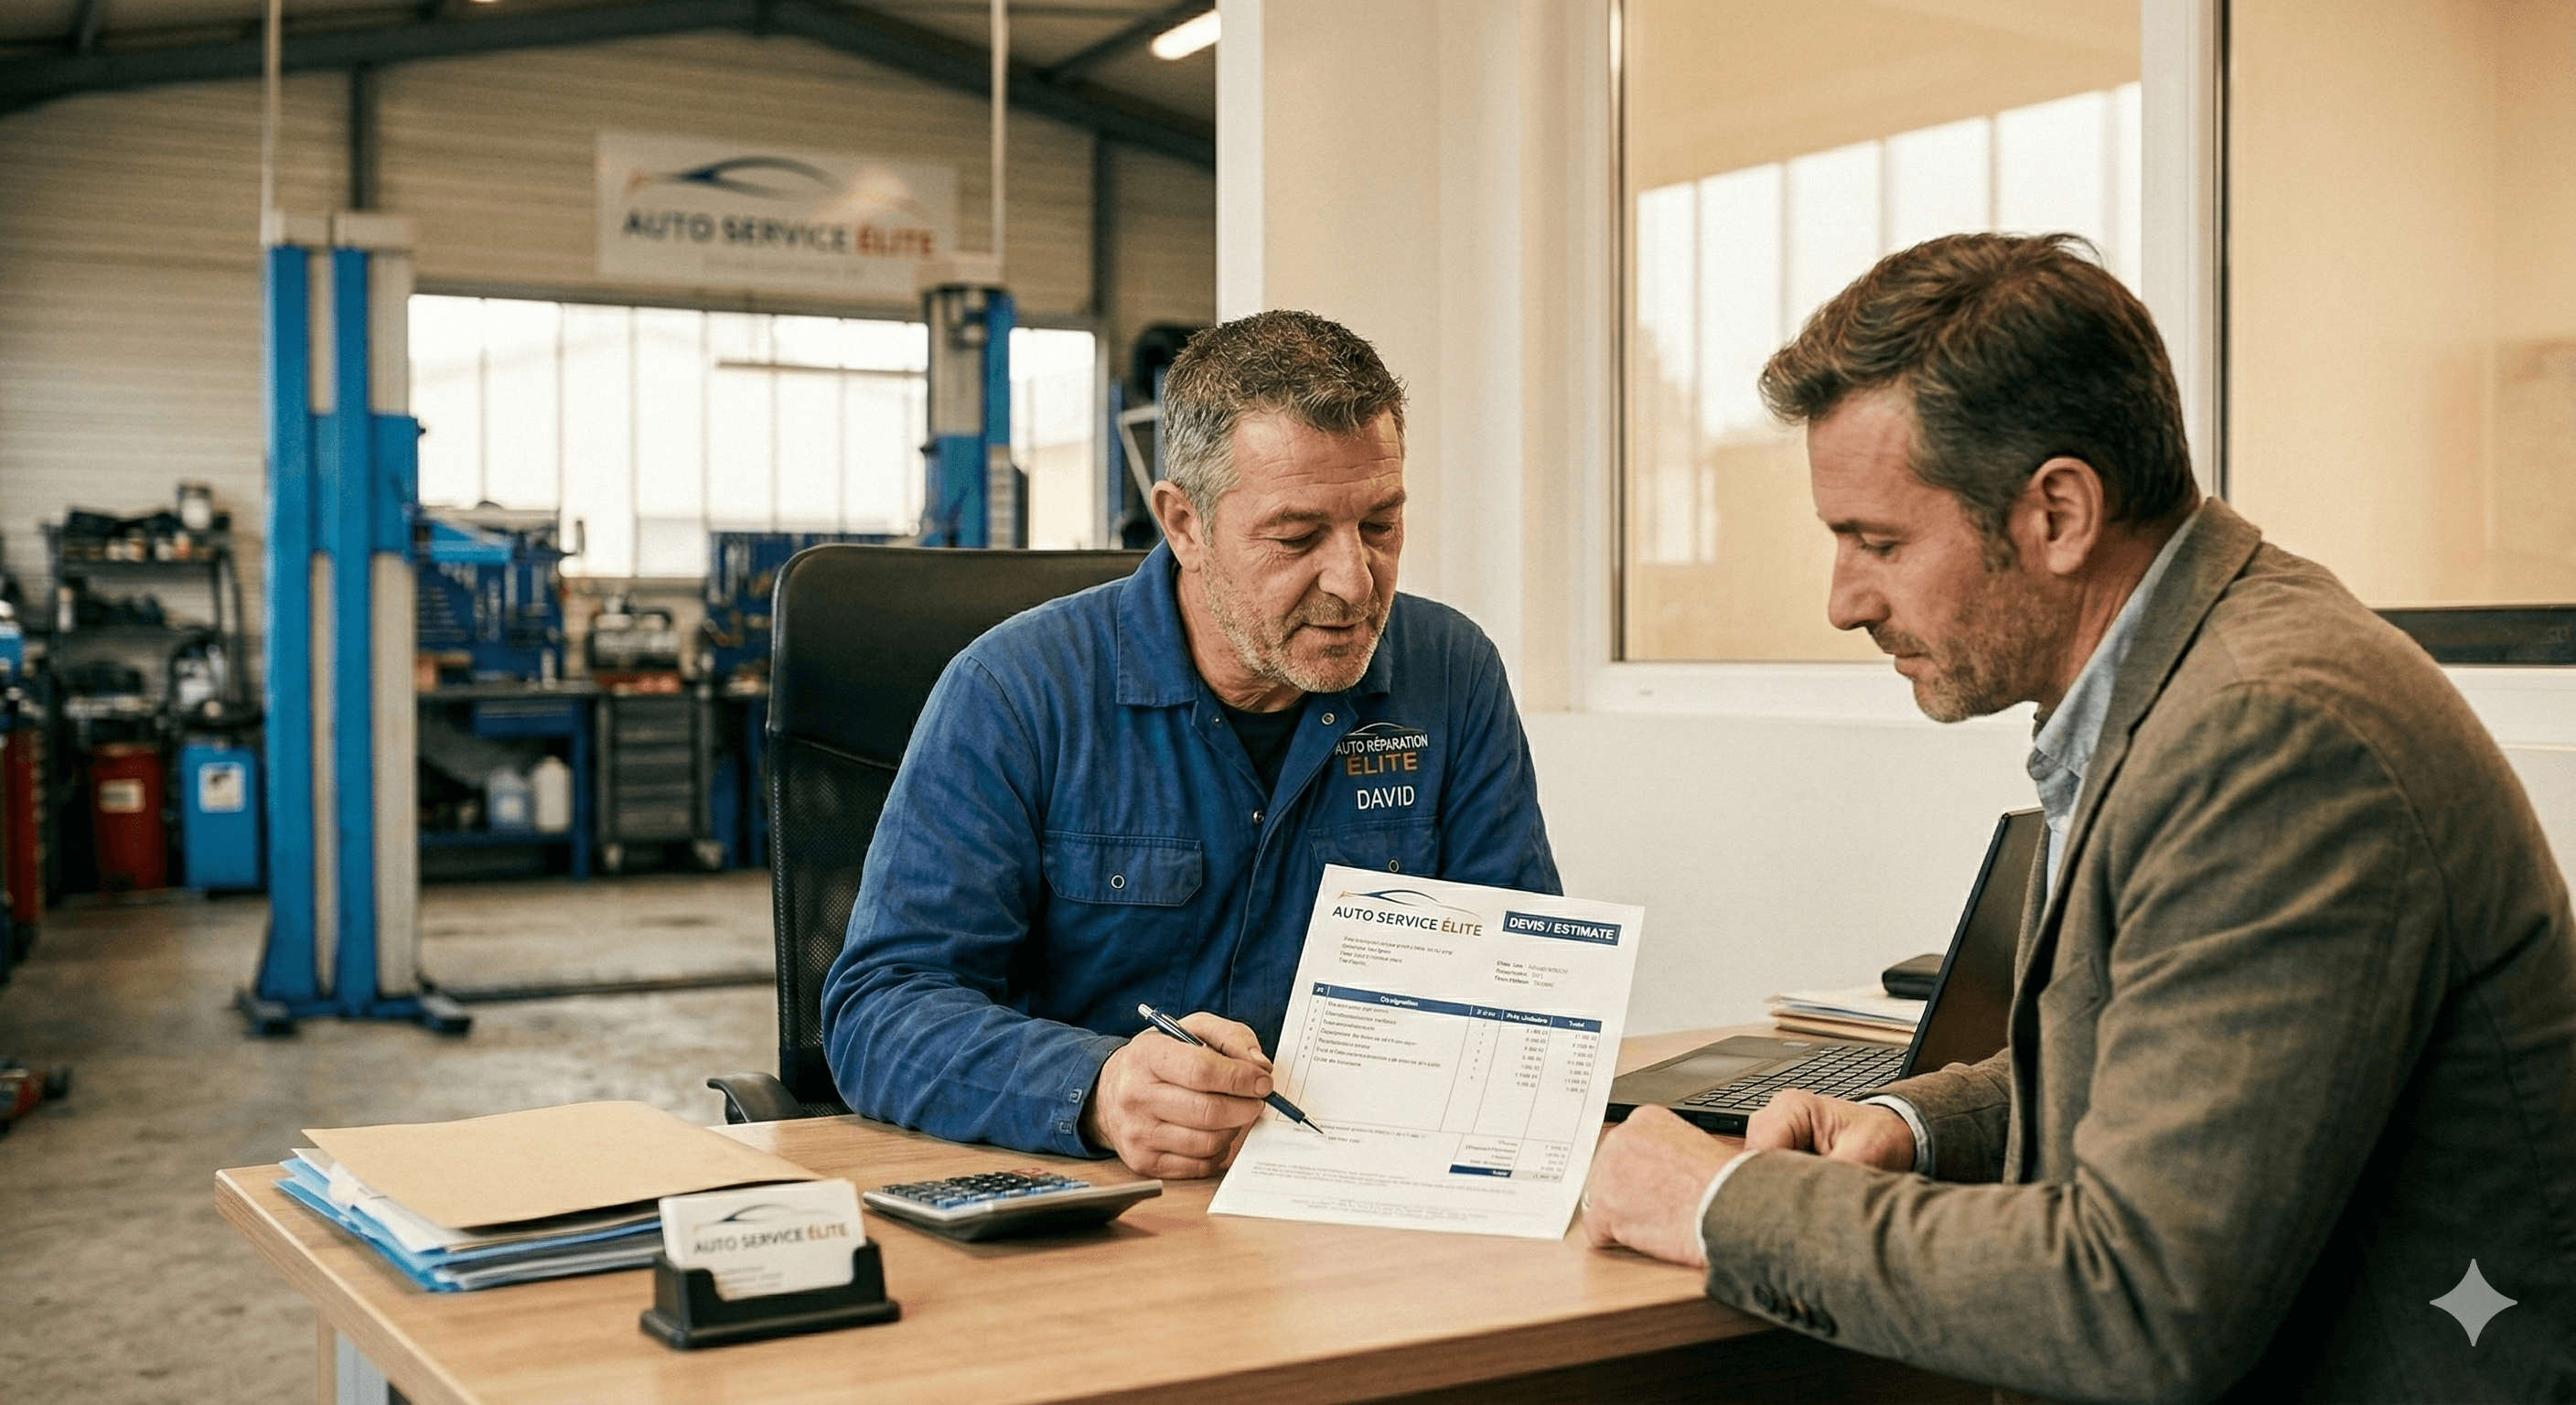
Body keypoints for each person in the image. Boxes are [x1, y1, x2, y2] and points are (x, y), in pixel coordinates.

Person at [1583, 233, 2576, 1401]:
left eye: (1879, 542)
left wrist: (1715, 1205)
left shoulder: (2268, 737)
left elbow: (2136, 1302)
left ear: (2056, 512)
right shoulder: (2197, 675)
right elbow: (2162, 1058)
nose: (1843, 600)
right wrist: (1918, 1123)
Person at [821, 310, 1561, 1180]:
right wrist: (1097, 1088)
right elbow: (880, 1012)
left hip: (1357, 1197)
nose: (1356, 581)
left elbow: (1522, 975)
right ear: (1184, 524)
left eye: (1381, 526)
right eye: (1296, 537)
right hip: (1107, 1209)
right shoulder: (1016, 694)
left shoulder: (1451, 675)